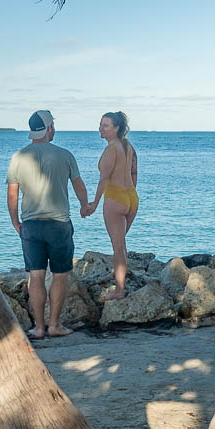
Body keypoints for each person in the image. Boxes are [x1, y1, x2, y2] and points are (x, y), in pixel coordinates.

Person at [7, 109, 90, 339]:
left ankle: (39, 328)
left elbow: (12, 194)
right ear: (50, 129)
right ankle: (55, 325)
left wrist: (16, 222)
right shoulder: (65, 155)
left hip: (31, 225)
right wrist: (85, 206)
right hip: (58, 225)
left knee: (36, 275)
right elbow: (79, 186)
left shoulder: (18, 157)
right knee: (60, 275)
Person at [83, 111, 138, 301]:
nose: (100, 128)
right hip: (131, 197)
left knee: (118, 247)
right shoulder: (128, 146)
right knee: (121, 246)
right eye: (100, 124)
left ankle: (119, 290)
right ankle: (120, 285)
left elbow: (103, 180)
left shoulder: (111, 149)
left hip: (115, 198)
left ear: (116, 128)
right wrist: (130, 193)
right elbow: (134, 172)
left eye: (105, 125)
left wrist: (94, 204)